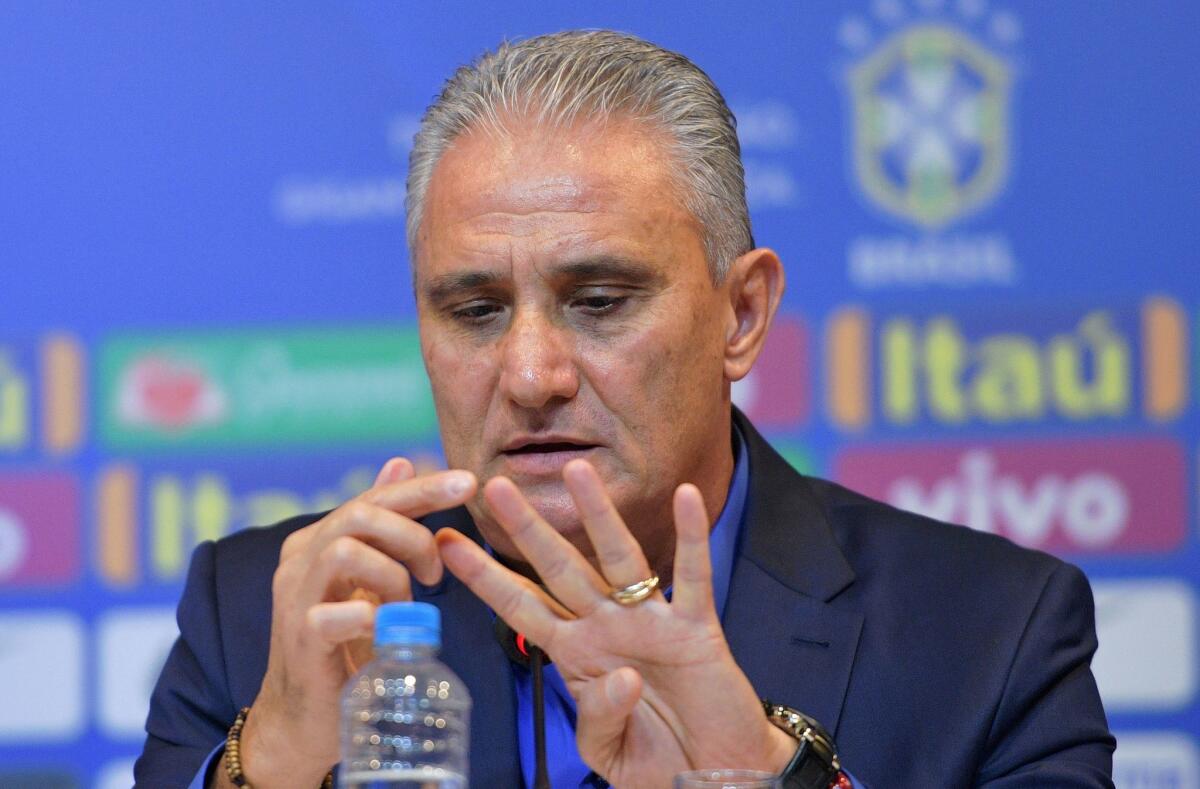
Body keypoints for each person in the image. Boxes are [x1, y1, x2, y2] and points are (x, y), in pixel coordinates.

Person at [134, 30, 1115, 789]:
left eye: (599, 302)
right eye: (474, 310)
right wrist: (258, 767)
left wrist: (767, 777)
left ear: (742, 312)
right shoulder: (269, 614)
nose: (529, 374)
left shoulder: (991, 633)